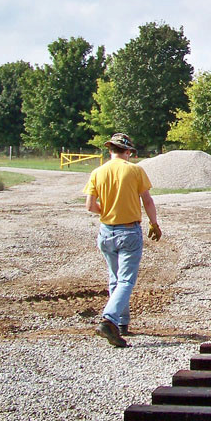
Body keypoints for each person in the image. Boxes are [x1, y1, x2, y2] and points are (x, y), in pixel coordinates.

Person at [83, 132, 160, 348]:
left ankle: (122, 323)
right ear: (127, 151)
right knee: (126, 281)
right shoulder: (135, 171)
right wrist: (154, 223)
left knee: (115, 279)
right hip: (129, 232)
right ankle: (109, 319)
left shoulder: (97, 172)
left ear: (110, 150)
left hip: (106, 232)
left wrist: (107, 212)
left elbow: (89, 206)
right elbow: (147, 200)